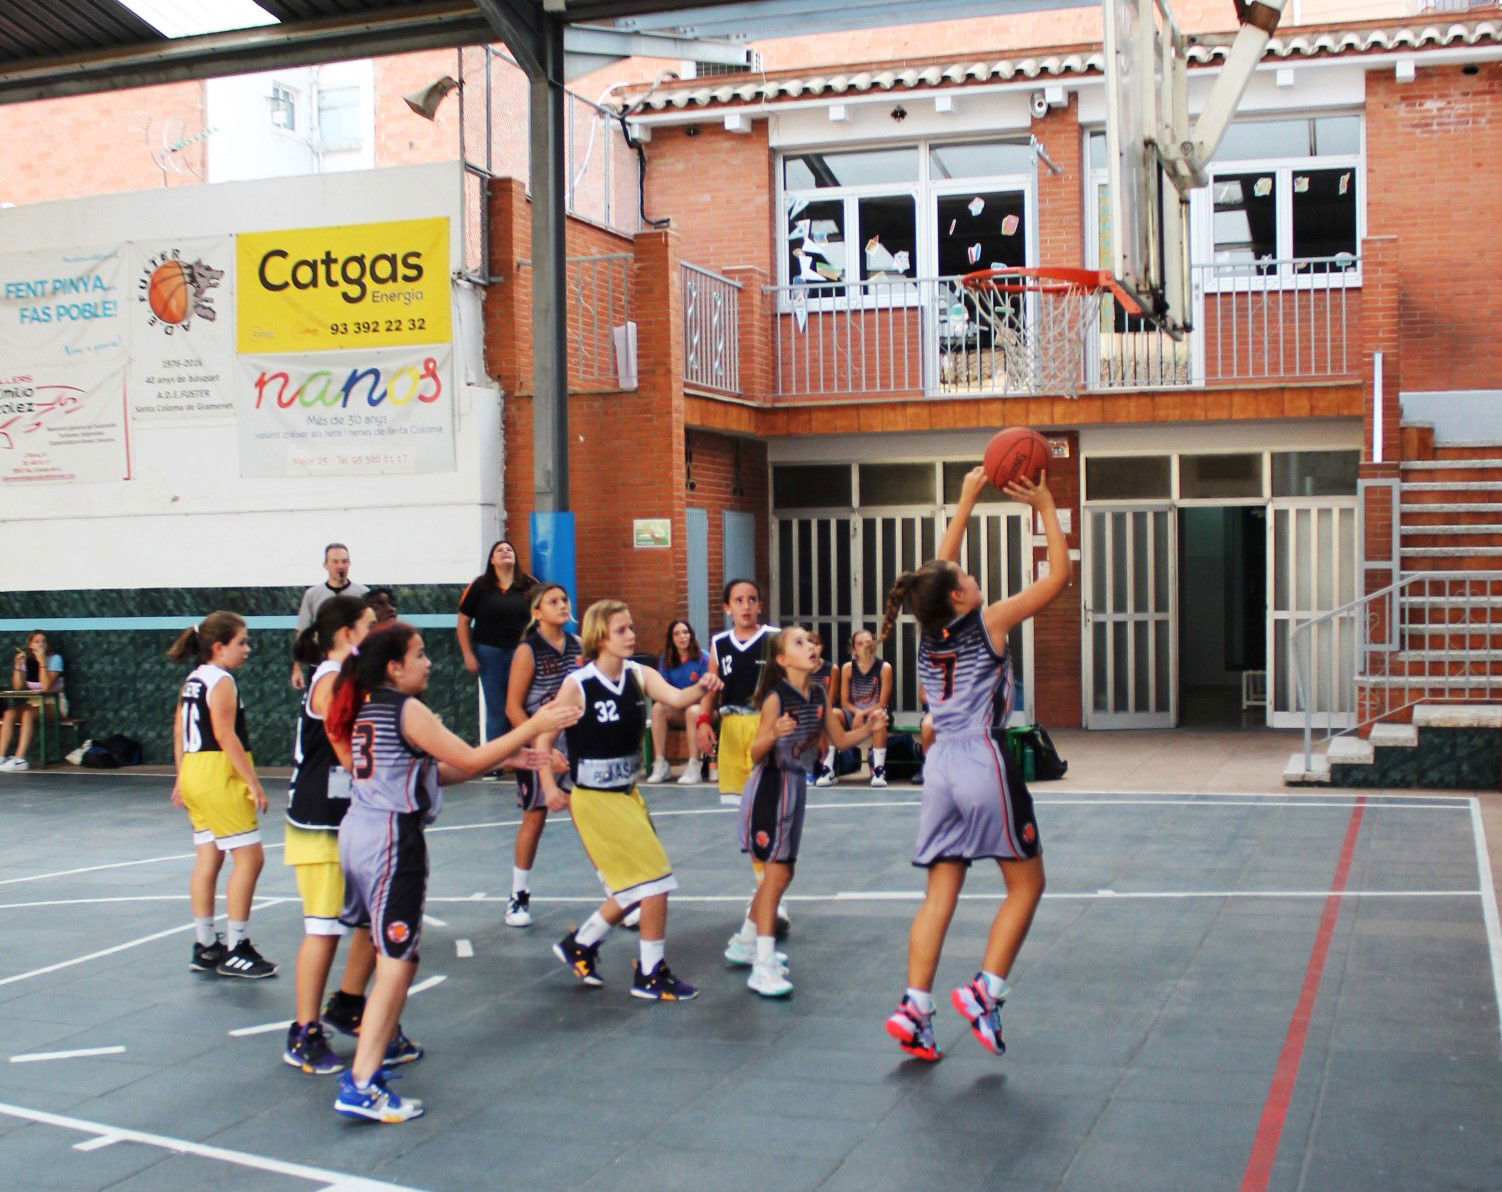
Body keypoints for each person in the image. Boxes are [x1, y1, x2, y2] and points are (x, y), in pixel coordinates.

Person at [324, 621, 578, 1123]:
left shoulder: (368, 706)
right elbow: (468, 754)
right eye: (419, 654)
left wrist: (516, 759)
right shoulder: (407, 708)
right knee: (395, 957)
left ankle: (370, 1050)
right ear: (395, 666)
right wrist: (535, 723)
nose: (429, 662)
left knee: (397, 953)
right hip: (392, 839)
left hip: (359, 831)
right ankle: (360, 1081)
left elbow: (434, 769)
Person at [879, 467, 1069, 1063]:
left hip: (938, 770)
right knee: (1027, 883)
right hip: (981, 759)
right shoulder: (989, 622)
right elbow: (1059, 578)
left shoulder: (928, 631)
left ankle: (914, 1005)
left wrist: (964, 499)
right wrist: (1045, 505)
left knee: (941, 888)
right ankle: (986, 991)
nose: (967, 571)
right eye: (964, 574)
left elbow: (936, 570)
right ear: (958, 596)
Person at [540, 600, 721, 1000]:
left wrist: (703, 687)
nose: (631, 635)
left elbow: (676, 697)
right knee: (656, 881)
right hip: (595, 798)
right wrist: (549, 785)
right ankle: (650, 973)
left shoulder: (639, 673)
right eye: (622, 629)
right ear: (600, 636)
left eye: (631, 627)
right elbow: (543, 732)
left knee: (633, 886)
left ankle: (580, 944)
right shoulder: (579, 683)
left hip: (627, 793)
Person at [282, 595, 424, 1076]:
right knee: (323, 930)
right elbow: (346, 743)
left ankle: (347, 1002)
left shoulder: (354, 679)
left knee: (367, 922)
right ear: (347, 634)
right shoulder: (329, 679)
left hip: (352, 820)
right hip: (319, 820)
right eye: (369, 625)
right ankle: (303, 1031)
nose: (375, 632)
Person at [727, 626, 886, 997]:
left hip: (796, 786)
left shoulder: (817, 692)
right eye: (800, 643)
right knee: (776, 875)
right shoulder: (774, 699)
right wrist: (773, 733)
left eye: (811, 642)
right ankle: (762, 963)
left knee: (783, 873)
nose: (811, 647)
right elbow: (754, 753)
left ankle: (746, 942)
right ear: (783, 660)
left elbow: (841, 739)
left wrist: (869, 728)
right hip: (770, 786)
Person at [167, 612, 277, 980]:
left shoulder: (193, 680)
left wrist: (181, 775)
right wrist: (253, 782)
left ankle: (205, 945)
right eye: (241, 642)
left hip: (195, 771)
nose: (247, 649)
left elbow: (179, 730)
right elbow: (225, 735)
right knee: (250, 858)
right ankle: (237, 947)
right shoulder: (222, 680)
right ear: (219, 647)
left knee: (208, 857)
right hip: (219, 772)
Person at [502, 583, 582, 929]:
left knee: (589, 816)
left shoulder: (577, 646)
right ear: (537, 612)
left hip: (574, 741)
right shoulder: (527, 650)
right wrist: (542, 748)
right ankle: (518, 896)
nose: (562, 605)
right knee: (535, 817)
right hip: (538, 742)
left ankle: (617, 890)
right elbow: (512, 707)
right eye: (553, 601)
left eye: (564, 599)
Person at [697, 580, 778, 809]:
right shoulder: (719, 643)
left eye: (752, 600)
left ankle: (768, 844)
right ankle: (751, 844)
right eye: (739, 601)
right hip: (731, 724)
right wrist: (703, 722)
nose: (746, 606)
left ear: (760, 606)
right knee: (740, 804)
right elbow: (710, 687)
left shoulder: (775, 638)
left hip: (764, 722)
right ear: (727, 607)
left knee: (766, 799)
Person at [457, 539, 536, 753]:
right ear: (492, 560)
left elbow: (542, 618)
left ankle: (530, 752)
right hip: (489, 653)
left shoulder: (529, 585)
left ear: (515, 557)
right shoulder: (479, 586)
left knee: (525, 704)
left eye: (509, 549)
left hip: (523, 653)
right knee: (496, 708)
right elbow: (463, 622)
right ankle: (496, 758)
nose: (505, 552)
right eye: (499, 550)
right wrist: (467, 653)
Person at [292, 544, 368, 690]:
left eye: (344, 561)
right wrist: (297, 668)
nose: (340, 566)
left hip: (353, 663)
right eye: (335, 561)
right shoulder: (313, 595)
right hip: (322, 662)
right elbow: (302, 632)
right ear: (326, 565)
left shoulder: (362, 593)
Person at [645, 619, 711, 786]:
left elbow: (707, 692)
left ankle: (694, 765)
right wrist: (678, 701)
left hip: (702, 710)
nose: (682, 636)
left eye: (685, 632)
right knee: (658, 708)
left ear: (691, 636)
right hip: (676, 708)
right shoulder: (665, 659)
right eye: (677, 633)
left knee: (693, 710)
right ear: (671, 639)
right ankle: (661, 764)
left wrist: (685, 699)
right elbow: (662, 691)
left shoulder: (703, 658)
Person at [834, 627, 894, 788]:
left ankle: (879, 771)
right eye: (860, 643)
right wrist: (858, 713)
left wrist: (862, 714)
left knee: (879, 716)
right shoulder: (847, 668)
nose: (865, 646)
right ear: (853, 649)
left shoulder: (884, 667)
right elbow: (845, 702)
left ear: (874, 645)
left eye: (868, 642)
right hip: (853, 712)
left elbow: (883, 703)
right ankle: (828, 769)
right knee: (833, 714)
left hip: (874, 711)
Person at [1, 630, 63, 771]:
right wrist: (17, 666)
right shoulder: (27, 661)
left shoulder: (55, 659)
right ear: (30, 645)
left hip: (53, 703)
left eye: (44, 641)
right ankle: (1, 756)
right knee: (9, 713)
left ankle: (20, 759)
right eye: (37, 641)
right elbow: (17, 687)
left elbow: (47, 687)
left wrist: (42, 662)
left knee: (27, 713)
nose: (41, 644)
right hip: (33, 702)